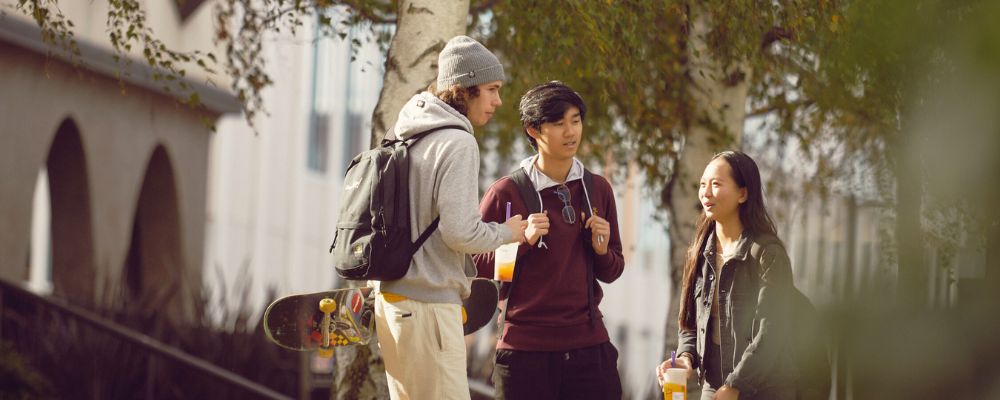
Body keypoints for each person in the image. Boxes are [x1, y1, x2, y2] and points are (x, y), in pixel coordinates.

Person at [373, 35, 527, 400]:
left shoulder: (406, 131)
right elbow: (459, 232)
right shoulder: (457, 142)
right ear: (464, 89)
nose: (497, 101)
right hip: (428, 306)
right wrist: (507, 232)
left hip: (392, 303)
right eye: (491, 89)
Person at [473, 81, 625, 400]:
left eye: (575, 120)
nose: (570, 132)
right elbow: (476, 267)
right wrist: (520, 241)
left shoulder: (598, 189)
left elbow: (612, 269)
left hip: (589, 348)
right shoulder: (505, 193)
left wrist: (601, 251)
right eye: (558, 124)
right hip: (524, 352)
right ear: (533, 130)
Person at [655, 151, 796, 400]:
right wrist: (686, 358)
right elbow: (689, 323)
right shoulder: (700, 252)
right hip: (715, 384)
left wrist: (736, 384)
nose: (706, 192)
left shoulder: (768, 254)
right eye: (702, 185)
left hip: (764, 388)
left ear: (743, 193)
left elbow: (771, 331)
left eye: (716, 184)